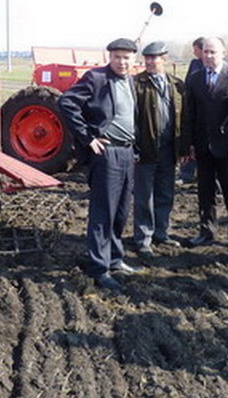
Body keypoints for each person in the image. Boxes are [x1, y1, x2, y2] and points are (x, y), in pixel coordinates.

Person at [58, 38, 144, 292]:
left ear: (133, 60)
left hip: (127, 153)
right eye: (117, 57)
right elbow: (66, 103)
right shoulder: (96, 78)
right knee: (103, 213)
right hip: (106, 155)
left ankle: (115, 259)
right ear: (110, 57)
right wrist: (88, 137)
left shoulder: (130, 80)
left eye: (127, 57)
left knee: (120, 212)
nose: (122, 61)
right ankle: (99, 268)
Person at [132, 41, 186, 257]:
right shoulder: (136, 84)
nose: (151, 62)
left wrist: (183, 148)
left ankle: (161, 233)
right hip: (146, 150)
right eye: (147, 58)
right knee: (145, 196)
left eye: (155, 58)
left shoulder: (177, 85)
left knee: (165, 192)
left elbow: (185, 118)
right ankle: (143, 239)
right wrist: (134, 148)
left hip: (169, 149)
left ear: (165, 59)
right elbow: (131, 119)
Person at [181, 37, 228, 247]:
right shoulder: (194, 79)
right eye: (205, 52)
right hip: (203, 147)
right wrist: (190, 144)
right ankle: (206, 232)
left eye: (213, 52)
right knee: (205, 192)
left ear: (223, 53)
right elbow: (189, 114)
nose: (209, 56)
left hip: (227, 147)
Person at [180, 36, 205, 184]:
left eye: (195, 49)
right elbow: (188, 82)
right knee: (189, 141)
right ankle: (187, 175)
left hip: (208, 112)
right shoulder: (194, 64)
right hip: (192, 108)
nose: (193, 52)